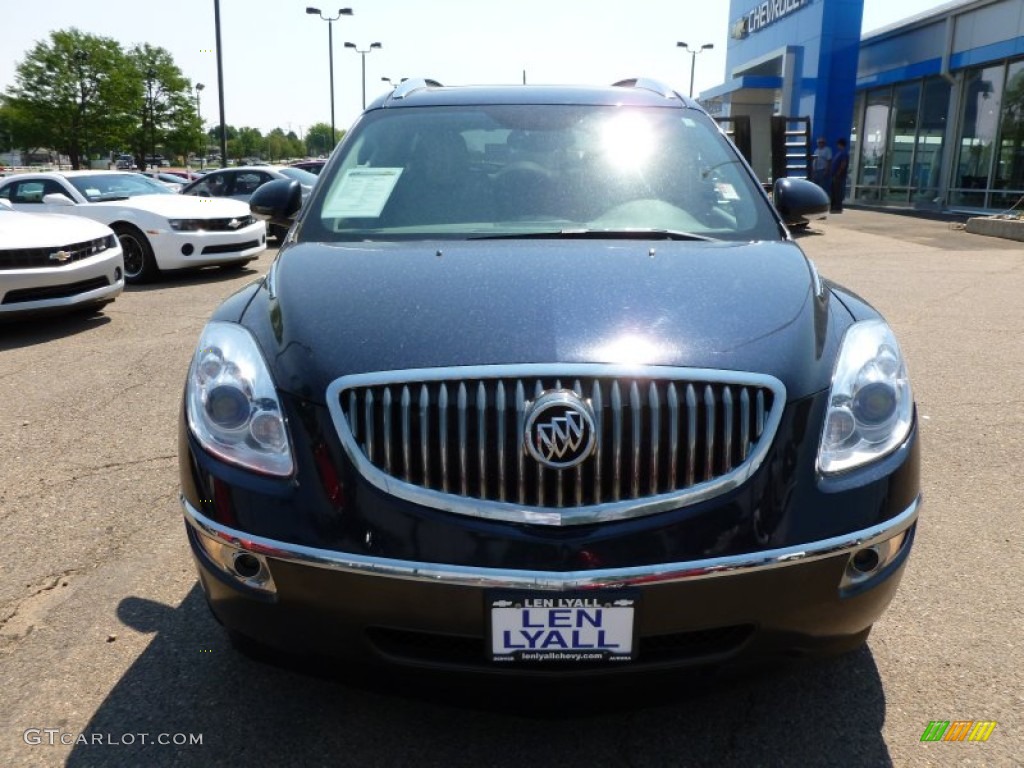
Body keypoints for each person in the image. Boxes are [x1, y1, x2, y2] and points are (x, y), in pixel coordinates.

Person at [830, 138, 849, 213]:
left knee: (837, 191)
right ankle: (834, 205)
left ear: (840, 145)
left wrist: (838, 172)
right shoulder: (839, 153)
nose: (837, 146)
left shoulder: (843, 153)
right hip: (835, 175)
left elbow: (843, 164)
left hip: (838, 176)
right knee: (834, 190)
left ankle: (838, 206)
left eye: (838, 144)